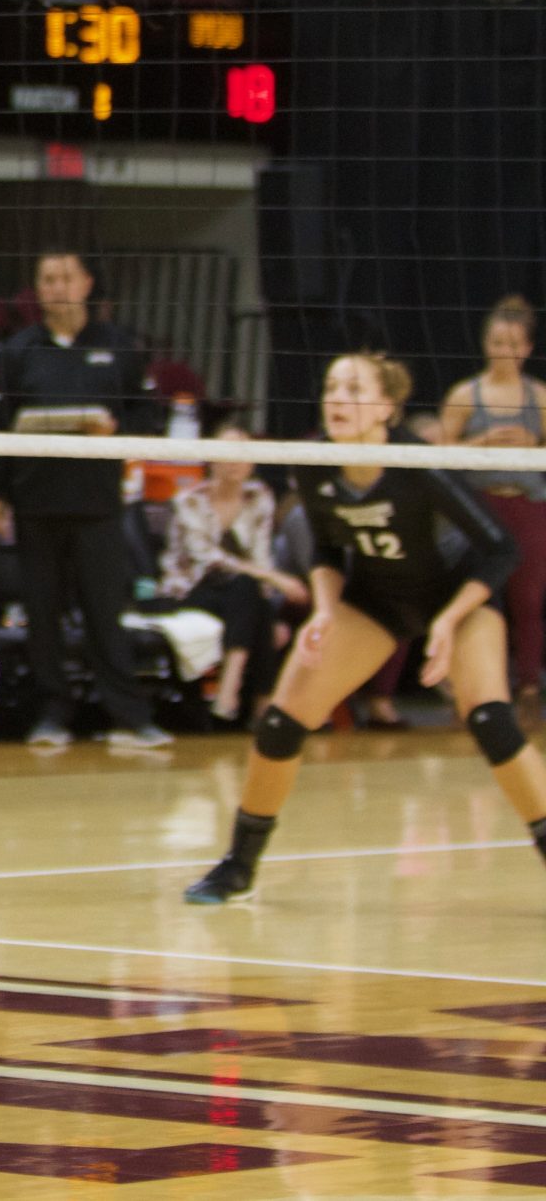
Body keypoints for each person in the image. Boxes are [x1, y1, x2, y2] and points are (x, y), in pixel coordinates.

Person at [187, 351, 546, 905]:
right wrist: (326, 610)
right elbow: (328, 547)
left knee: (491, 719)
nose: (337, 398)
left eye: (354, 389)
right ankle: (237, 867)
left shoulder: (419, 466)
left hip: (459, 595)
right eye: (332, 387)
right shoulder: (313, 463)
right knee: (282, 722)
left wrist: (449, 623)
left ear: (387, 407)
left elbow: (502, 550)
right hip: (379, 597)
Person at [0, 250, 165, 747]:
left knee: (107, 614)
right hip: (36, 502)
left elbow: (147, 417)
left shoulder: (120, 347)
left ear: (86, 284)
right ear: (37, 289)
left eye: (65, 277)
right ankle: (52, 716)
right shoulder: (19, 351)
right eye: (47, 278)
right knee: (43, 619)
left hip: (98, 505)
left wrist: (117, 429)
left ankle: (128, 716)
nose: (56, 286)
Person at [156, 422, 306, 725]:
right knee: (249, 587)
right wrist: (275, 579)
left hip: (241, 594)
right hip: (191, 588)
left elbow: (261, 557)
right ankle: (255, 699)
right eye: (227, 452)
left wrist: (271, 603)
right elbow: (209, 559)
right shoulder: (189, 500)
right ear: (211, 457)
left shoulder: (260, 496)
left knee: (255, 598)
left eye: (243, 453)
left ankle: (234, 692)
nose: (235, 461)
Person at [439, 295, 546, 704]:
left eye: (514, 344)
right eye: (498, 343)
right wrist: (481, 441)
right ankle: (472, 685)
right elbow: (440, 455)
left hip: (527, 505)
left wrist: (531, 444)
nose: (505, 352)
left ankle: (529, 687)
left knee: (528, 600)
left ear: (528, 348)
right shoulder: (465, 394)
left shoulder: (538, 397)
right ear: (486, 344)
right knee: (475, 596)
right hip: (479, 507)